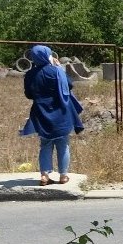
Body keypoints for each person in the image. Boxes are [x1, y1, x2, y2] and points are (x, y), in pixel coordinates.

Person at [20, 45, 84, 186]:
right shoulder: (55, 71)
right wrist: (59, 68)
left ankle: (44, 175)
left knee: (45, 144)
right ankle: (63, 176)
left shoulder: (30, 74)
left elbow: (28, 94)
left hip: (41, 112)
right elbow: (69, 85)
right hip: (61, 112)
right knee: (63, 144)